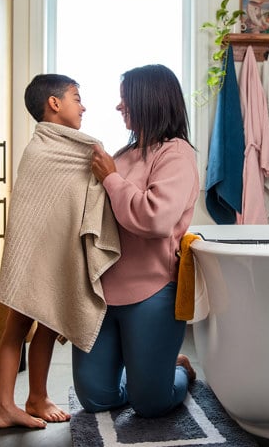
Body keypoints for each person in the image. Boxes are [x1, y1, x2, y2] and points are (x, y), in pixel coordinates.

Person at [0, 73, 118, 429]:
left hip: (56, 250)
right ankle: (2, 406)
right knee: (18, 325)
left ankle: (37, 397)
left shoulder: (78, 149)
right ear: (55, 103)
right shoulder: (41, 150)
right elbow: (31, 211)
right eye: (77, 98)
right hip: (31, 252)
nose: (83, 107)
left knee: (49, 320)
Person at [73, 64, 200, 417]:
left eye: (125, 98)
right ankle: (150, 370)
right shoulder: (120, 156)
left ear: (149, 100)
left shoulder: (176, 154)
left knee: (150, 405)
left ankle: (177, 371)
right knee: (95, 399)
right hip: (101, 295)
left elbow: (154, 219)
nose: (119, 106)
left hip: (152, 292)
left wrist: (111, 180)